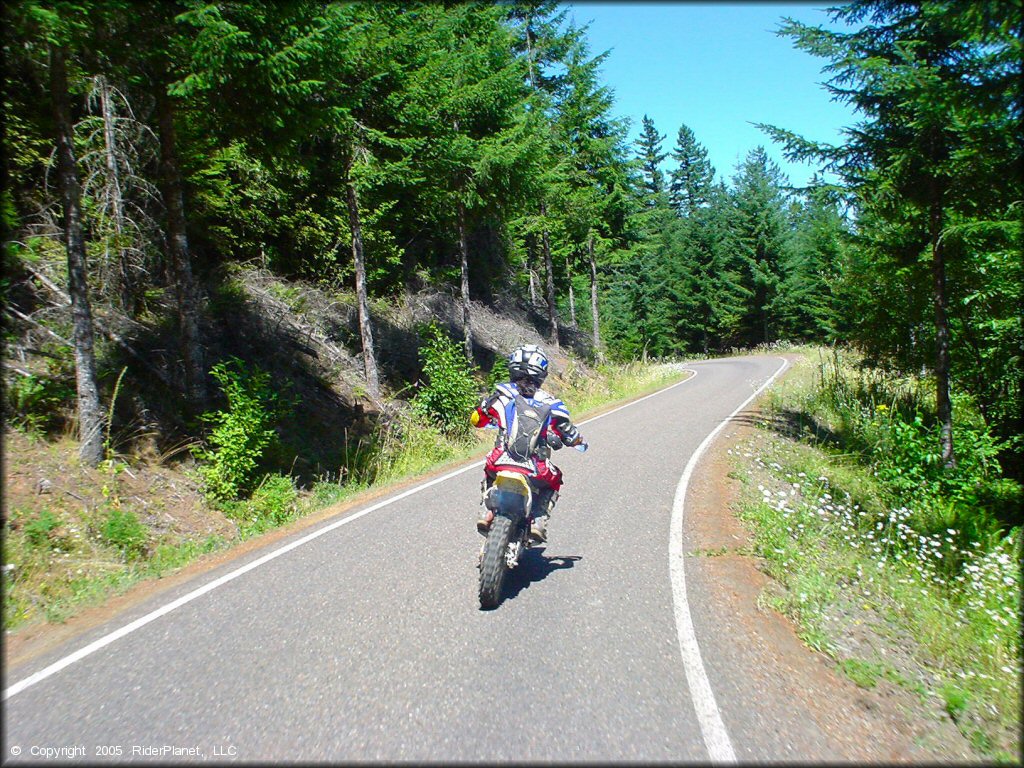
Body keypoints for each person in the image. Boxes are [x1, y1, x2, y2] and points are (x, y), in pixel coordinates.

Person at [470, 344, 586, 542]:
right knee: (555, 479)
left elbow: (477, 420)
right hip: (535, 468)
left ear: (512, 367)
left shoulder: (501, 394)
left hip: (500, 460)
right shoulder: (552, 403)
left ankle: (486, 510)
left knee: (488, 470)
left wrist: (486, 417)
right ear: (542, 374)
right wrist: (576, 441)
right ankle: (538, 520)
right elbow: (568, 432)